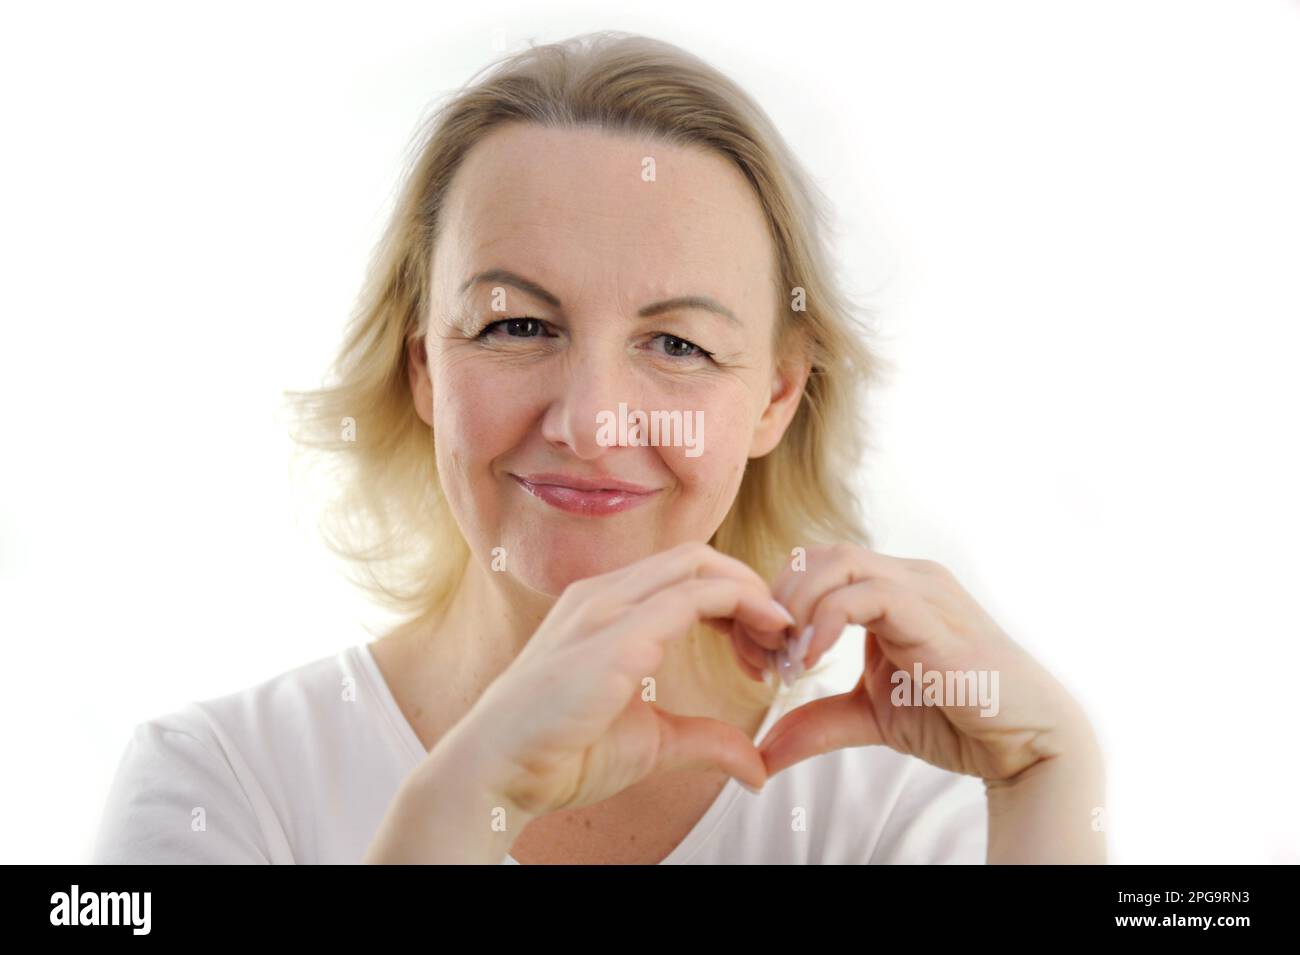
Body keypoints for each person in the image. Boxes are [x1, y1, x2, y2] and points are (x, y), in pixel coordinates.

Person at [91, 31, 1104, 865]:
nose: (592, 422)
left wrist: (1053, 789)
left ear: (776, 398)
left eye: (677, 345)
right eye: (515, 326)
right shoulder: (220, 779)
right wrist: (456, 811)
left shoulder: (902, 812)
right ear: (422, 371)